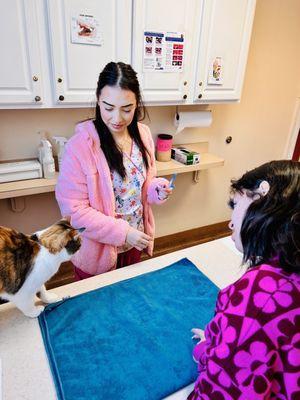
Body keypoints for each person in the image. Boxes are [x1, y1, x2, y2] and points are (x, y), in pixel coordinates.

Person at [188, 160, 300, 399]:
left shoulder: (263, 293)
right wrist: (217, 342)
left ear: (261, 202)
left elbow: (221, 388)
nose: (230, 222)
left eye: (235, 205)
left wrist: (208, 350)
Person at [55, 62, 172, 280]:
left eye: (127, 109)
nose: (117, 118)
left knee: (128, 299)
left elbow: (142, 185)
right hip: (97, 252)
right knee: (97, 308)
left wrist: (156, 190)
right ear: (98, 100)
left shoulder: (143, 135)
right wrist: (123, 232)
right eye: (108, 108)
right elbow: (75, 213)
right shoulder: (81, 146)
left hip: (134, 242)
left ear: (137, 103)